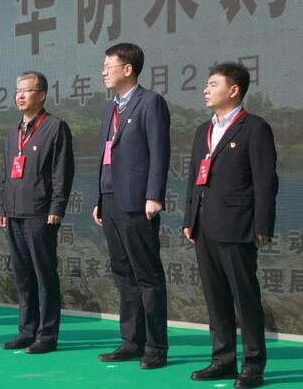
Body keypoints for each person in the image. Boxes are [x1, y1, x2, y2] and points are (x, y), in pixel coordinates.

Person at [183, 63, 276, 389]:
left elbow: (266, 182)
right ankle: (222, 359)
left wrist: (262, 224)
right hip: (204, 226)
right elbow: (195, 178)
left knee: (244, 297)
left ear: (233, 90)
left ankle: (253, 364)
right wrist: (189, 219)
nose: (206, 90)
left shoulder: (254, 128)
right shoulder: (202, 130)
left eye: (212, 84)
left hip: (238, 227)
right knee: (215, 297)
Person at [92, 43, 171, 368]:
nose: (103, 71)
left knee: (147, 275)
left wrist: (154, 195)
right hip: (110, 202)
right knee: (123, 274)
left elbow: (159, 151)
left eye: (109, 65)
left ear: (128, 69)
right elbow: (105, 157)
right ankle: (131, 340)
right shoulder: (111, 109)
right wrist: (99, 199)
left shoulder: (150, 102)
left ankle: (156, 347)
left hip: (138, 202)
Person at [0, 71, 74, 355]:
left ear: (41, 95)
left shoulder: (55, 127)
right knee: (22, 275)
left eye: (26, 90)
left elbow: (61, 172)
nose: (20, 95)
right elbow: (5, 172)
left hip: (40, 213)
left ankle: (47, 335)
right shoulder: (12, 132)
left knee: (44, 275)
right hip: (14, 213)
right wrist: (1, 206)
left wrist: (56, 207)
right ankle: (26, 331)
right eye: (17, 90)